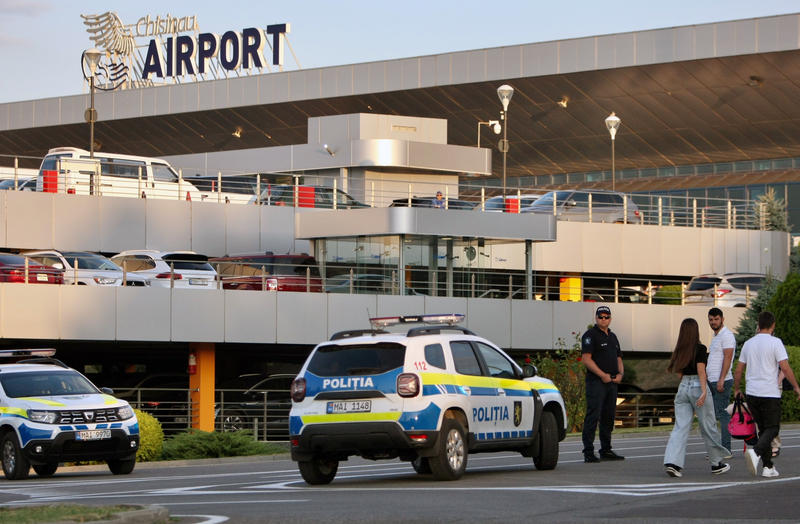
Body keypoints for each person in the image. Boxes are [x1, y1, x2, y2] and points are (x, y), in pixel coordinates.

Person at [733, 311, 800, 478]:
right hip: (769, 392)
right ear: (773, 325)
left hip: (752, 393)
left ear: (758, 324)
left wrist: (736, 389)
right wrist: (796, 387)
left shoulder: (748, 344)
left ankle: (768, 466)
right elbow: (785, 367)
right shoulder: (776, 342)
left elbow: (739, 370)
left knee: (763, 430)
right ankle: (755, 453)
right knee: (773, 428)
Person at [663, 318, 731, 477]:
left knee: (680, 427)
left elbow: (679, 373)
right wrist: (703, 391)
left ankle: (673, 463)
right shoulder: (700, 349)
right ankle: (716, 464)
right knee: (708, 425)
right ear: (696, 331)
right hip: (697, 386)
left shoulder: (679, 350)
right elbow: (701, 371)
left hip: (683, 388)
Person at [581, 306, 625, 463]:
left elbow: (619, 358)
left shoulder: (613, 337)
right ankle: (588, 451)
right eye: (601, 317)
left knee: (609, 417)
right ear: (596, 318)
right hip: (596, 383)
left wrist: (620, 374)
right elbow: (586, 359)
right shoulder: (590, 336)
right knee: (593, 416)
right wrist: (602, 375)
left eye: (607, 317)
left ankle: (606, 449)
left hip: (612, 382)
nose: (604, 319)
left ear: (610, 319)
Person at [706, 307, 735, 454]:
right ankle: (718, 449)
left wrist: (721, 379)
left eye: (716, 319)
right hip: (712, 381)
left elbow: (728, 358)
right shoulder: (716, 337)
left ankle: (725, 449)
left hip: (721, 381)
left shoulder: (727, 335)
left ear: (722, 319)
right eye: (711, 319)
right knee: (713, 416)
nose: (713, 322)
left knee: (722, 415)